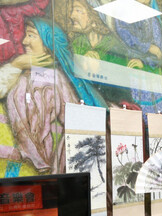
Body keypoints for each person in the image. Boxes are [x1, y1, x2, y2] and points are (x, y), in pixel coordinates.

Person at [0, 18, 105, 176]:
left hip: (33, 170)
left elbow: (72, 123)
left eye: (31, 35)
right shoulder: (21, 75)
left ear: (48, 43)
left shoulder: (55, 79)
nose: (24, 41)